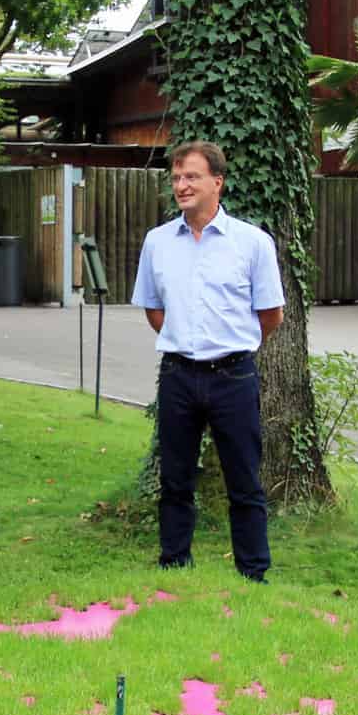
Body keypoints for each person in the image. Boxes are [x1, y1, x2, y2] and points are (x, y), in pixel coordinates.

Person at [131, 140, 284, 581]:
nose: (182, 185)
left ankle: (253, 572)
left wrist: (229, 344)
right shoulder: (158, 242)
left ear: (217, 182)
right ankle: (174, 563)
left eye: (192, 177)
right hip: (178, 374)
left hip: (233, 375)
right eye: (177, 178)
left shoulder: (252, 243)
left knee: (244, 480)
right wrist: (187, 340)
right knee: (176, 478)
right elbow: (154, 309)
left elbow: (270, 315)